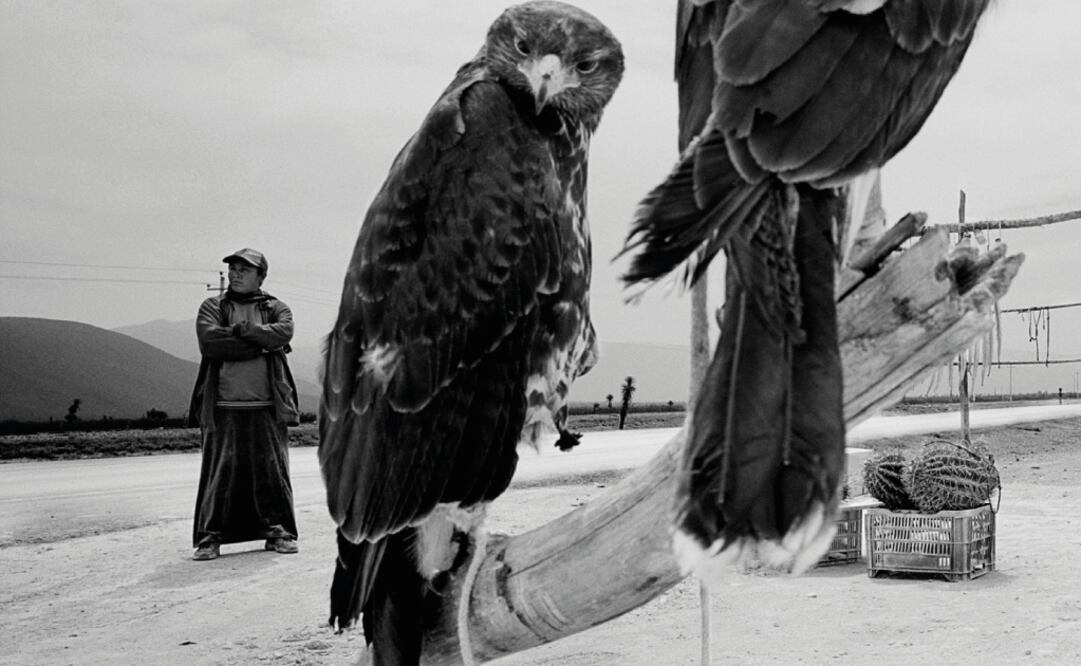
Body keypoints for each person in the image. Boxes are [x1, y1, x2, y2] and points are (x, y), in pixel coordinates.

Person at [187, 248, 301, 561]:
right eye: (233, 268)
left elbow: (285, 332)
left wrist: (243, 331)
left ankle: (279, 532)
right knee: (219, 474)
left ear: (260, 276)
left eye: (244, 269)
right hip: (223, 403)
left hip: (266, 403)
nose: (236, 273)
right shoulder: (213, 306)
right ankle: (210, 538)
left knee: (271, 472)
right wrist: (260, 345)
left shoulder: (276, 307)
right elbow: (210, 341)